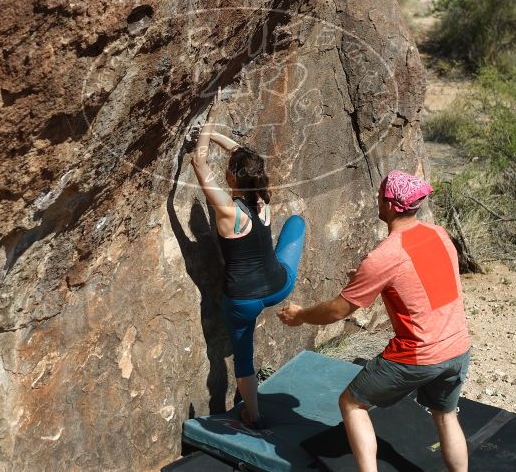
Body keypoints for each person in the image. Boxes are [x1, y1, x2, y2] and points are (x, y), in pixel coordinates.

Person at [277, 170, 470, 472]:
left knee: (352, 404)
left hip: (419, 353)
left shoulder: (383, 257)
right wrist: (374, 282)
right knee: (445, 415)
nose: (377, 200)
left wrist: (300, 316)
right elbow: (424, 287)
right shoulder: (439, 234)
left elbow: (338, 311)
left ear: (392, 205)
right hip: (458, 346)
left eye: (380, 196)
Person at [190, 88, 306, 429]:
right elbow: (245, 156)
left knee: (243, 358)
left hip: (242, 300)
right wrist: (217, 137)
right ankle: (250, 409)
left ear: (231, 178)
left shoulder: (228, 210)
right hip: (279, 286)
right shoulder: (263, 202)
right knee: (297, 223)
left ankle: (252, 415)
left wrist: (208, 120)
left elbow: (198, 163)